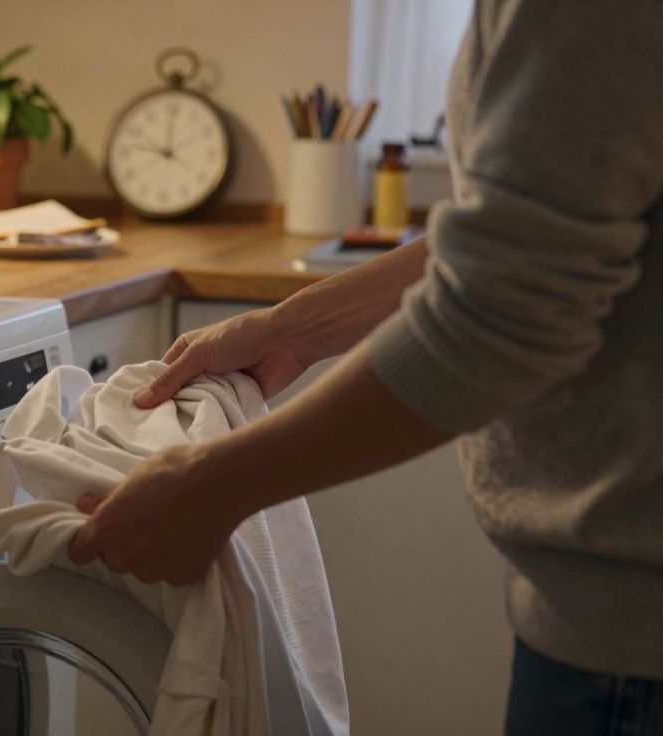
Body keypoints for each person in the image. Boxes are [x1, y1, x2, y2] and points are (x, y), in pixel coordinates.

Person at [67, 1, 663, 733]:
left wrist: (216, 486)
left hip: (632, 650)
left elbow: (504, 310)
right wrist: (291, 330)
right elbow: (510, 246)